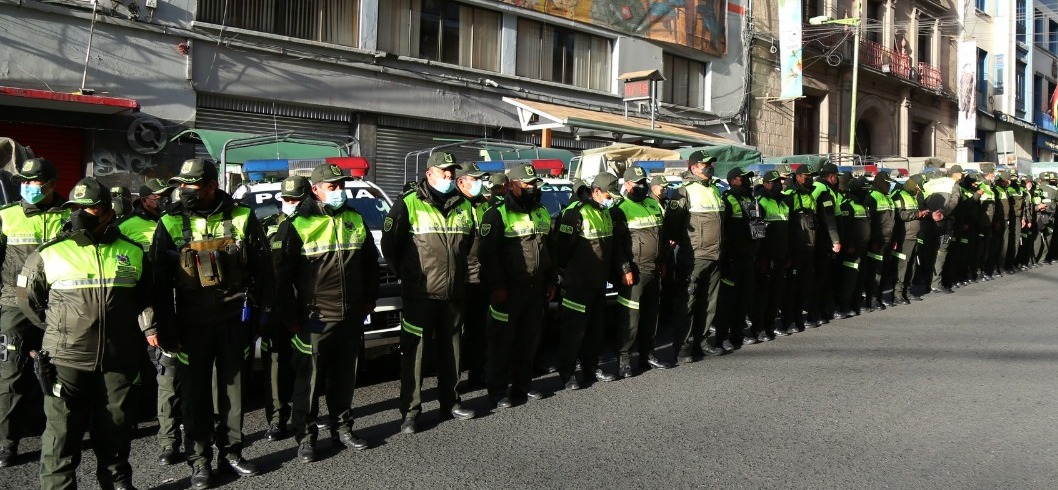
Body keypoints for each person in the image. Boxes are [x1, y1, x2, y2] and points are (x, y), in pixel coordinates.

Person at [18, 177, 150, 490]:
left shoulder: (132, 251)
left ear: (108, 211)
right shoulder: (49, 253)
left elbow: (144, 299)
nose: (80, 213)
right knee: (62, 431)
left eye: (89, 206)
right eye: (74, 207)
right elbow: (28, 301)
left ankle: (116, 482)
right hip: (67, 360)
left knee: (116, 427)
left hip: (118, 357)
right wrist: (60, 330)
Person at [151, 158, 273, 489]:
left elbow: (264, 270)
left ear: (210, 186)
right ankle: (199, 460)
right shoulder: (170, 222)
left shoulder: (243, 216)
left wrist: (261, 315)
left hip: (235, 320)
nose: (184, 191)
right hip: (191, 323)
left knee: (233, 390)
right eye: (182, 185)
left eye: (192, 185)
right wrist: (165, 327)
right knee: (195, 394)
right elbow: (158, 283)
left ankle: (231, 452)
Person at [274, 164, 379, 463]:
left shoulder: (354, 217)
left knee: (344, 376)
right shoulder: (296, 224)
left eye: (341, 185)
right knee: (308, 381)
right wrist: (291, 318)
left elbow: (370, 263)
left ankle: (342, 427)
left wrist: (368, 300)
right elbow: (280, 278)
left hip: (350, 315)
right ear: (316, 189)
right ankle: (306, 437)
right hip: (315, 318)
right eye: (332, 186)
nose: (339, 191)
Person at [381, 152, 476, 435]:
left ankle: (450, 402)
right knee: (415, 354)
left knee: (452, 351)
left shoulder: (463, 205)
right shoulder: (408, 203)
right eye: (444, 172)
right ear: (429, 173)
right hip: (420, 294)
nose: (449, 177)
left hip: (453, 293)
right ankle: (411, 411)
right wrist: (409, 276)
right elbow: (391, 247)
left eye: (451, 173)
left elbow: (469, 245)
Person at [0, 157, 68, 467]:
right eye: (24, 183)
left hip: (58, 305)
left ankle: (61, 435)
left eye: (35, 182)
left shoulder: (71, 214)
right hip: (14, 304)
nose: (29, 188)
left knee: (62, 370)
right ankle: (7, 442)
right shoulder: (7, 216)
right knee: (10, 372)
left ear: (52, 184)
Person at [117, 178, 182, 465]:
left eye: (168, 195)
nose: (165, 199)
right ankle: (140, 423)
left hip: (177, 306)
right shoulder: (126, 227)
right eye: (159, 196)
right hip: (142, 308)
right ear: (145, 200)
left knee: (170, 376)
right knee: (138, 370)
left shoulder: (178, 221)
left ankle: (177, 436)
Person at [479, 163, 555, 408]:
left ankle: (523, 385)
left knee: (529, 339)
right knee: (501, 342)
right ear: (512, 185)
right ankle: (497, 390)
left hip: (535, 288)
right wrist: (497, 286)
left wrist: (551, 279)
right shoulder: (497, 213)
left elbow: (548, 249)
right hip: (508, 290)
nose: (532, 188)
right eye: (527, 184)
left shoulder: (541, 211)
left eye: (534, 184)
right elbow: (487, 255)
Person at [553, 172, 631, 387]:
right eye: (608, 194)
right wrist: (563, 276)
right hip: (578, 284)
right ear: (596, 191)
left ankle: (591, 368)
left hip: (598, 283)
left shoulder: (604, 212)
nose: (611, 199)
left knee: (595, 331)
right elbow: (562, 250)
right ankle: (567, 373)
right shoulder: (575, 213)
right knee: (573, 332)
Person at [259, 176, 309, 443]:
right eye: (287, 200)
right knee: (276, 366)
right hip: (276, 306)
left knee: (306, 364)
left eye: (297, 200)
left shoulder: (315, 223)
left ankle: (306, 416)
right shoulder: (266, 225)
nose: (291, 204)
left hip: (308, 305)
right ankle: (277, 419)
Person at [611, 165, 672, 377]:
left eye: (643, 182)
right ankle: (624, 358)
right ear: (627, 185)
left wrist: (664, 260)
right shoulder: (620, 208)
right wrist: (625, 269)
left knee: (650, 316)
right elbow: (616, 245)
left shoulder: (653, 205)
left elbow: (661, 237)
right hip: (634, 273)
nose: (641, 186)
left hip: (654, 270)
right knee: (630, 318)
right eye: (637, 183)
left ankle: (647, 355)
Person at [663, 155, 725, 361]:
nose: (710, 167)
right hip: (695, 256)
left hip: (714, 255)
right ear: (693, 168)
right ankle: (682, 347)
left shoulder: (713, 189)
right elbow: (672, 225)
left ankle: (702, 341)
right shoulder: (684, 191)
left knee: (709, 302)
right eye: (705, 165)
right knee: (687, 302)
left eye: (710, 164)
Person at [715, 167, 760, 349]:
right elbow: (721, 231)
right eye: (743, 179)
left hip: (749, 256)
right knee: (727, 301)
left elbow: (757, 226)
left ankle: (737, 333)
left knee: (744, 297)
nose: (747, 182)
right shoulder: (727, 199)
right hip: (732, 258)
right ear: (733, 180)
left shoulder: (751, 200)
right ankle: (721, 336)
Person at [455, 163, 490, 389]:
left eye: (479, 179)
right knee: (455, 334)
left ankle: (477, 375)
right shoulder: (452, 205)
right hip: (458, 279)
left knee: (479, 331)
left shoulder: (485, 205)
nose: (479, 183)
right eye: (474, 179)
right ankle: (453, 384)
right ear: (461, 182)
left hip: (482, 278)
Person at [747, 171, 789, 341]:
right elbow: (757, 233)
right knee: (762, 295)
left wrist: (788, 254)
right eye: (774, 182)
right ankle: (758, 328)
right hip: (766, 258)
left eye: (779, 181)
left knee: (776, 294)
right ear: (766, 184)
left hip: (781, 255)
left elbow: (789, 231)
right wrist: (761, 257)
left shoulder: (784, 202)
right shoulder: (759, 202)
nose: (778, 184)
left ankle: (770, 325)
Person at [781, 166, 818, 333]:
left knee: (804, 286)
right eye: (805, 176)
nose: (808, 179)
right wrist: (788, 252)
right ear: (797, 177)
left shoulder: (810, 195)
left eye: (810, 176)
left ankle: (798, 318)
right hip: (795, 250)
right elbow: (787, 227)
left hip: (809, 249)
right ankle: (787, 321)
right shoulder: (790, 195)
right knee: (791, 288)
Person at [809, 163, 843, 326]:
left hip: (823, 238)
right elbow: (828, 219)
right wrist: (835, 240)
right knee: (821, 277)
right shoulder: (822, 189)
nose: (837, 179)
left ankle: (825, 309)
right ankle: (816, 312)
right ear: (831, 176)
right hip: (823, 238)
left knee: (825, 276)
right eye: (836, 176)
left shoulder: (823, 188)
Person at [921, 166, 961, 294]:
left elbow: (920, 203)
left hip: (928, 223)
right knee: (941, 252)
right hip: (944, 223)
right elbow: (955, 201)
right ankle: (936, 283)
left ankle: (926, 281)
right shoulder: (951, 183)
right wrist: (943, 213)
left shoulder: (927, 185)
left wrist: (929, 214)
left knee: (929, 252)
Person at [836, 176, 871, 317]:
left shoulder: (863, 204)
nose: (867, 193)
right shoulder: (847, 203)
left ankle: (856, 304)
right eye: (864, 190)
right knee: (849, 280)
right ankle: (844, 306)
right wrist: (849, 244)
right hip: (852, 249)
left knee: (860, 278)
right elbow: (845, 228)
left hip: (863, 247)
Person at [888, 175, 926, 304]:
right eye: (917, 188)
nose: (918, 191)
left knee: (912, 266)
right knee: (902, 266)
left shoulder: (911, 196)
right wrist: (917, 214)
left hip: (914, 237)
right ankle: (898, 294)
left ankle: (907, 291)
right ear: (912, 184)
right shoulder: (898, 195)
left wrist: (921, 214)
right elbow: (899, 215)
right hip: (905, 237)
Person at [863, 173, 896, 311]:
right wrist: (874, 241)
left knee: (884, 271)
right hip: (878, 241)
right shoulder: (872, 197)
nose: (889, 185)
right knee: (875, 272)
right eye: (887, 183)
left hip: (888, 240)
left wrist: (894, 239)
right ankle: (872, 299)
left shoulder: (888, 197)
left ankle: (879, 297)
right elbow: (869, 222)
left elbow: (892, 221)